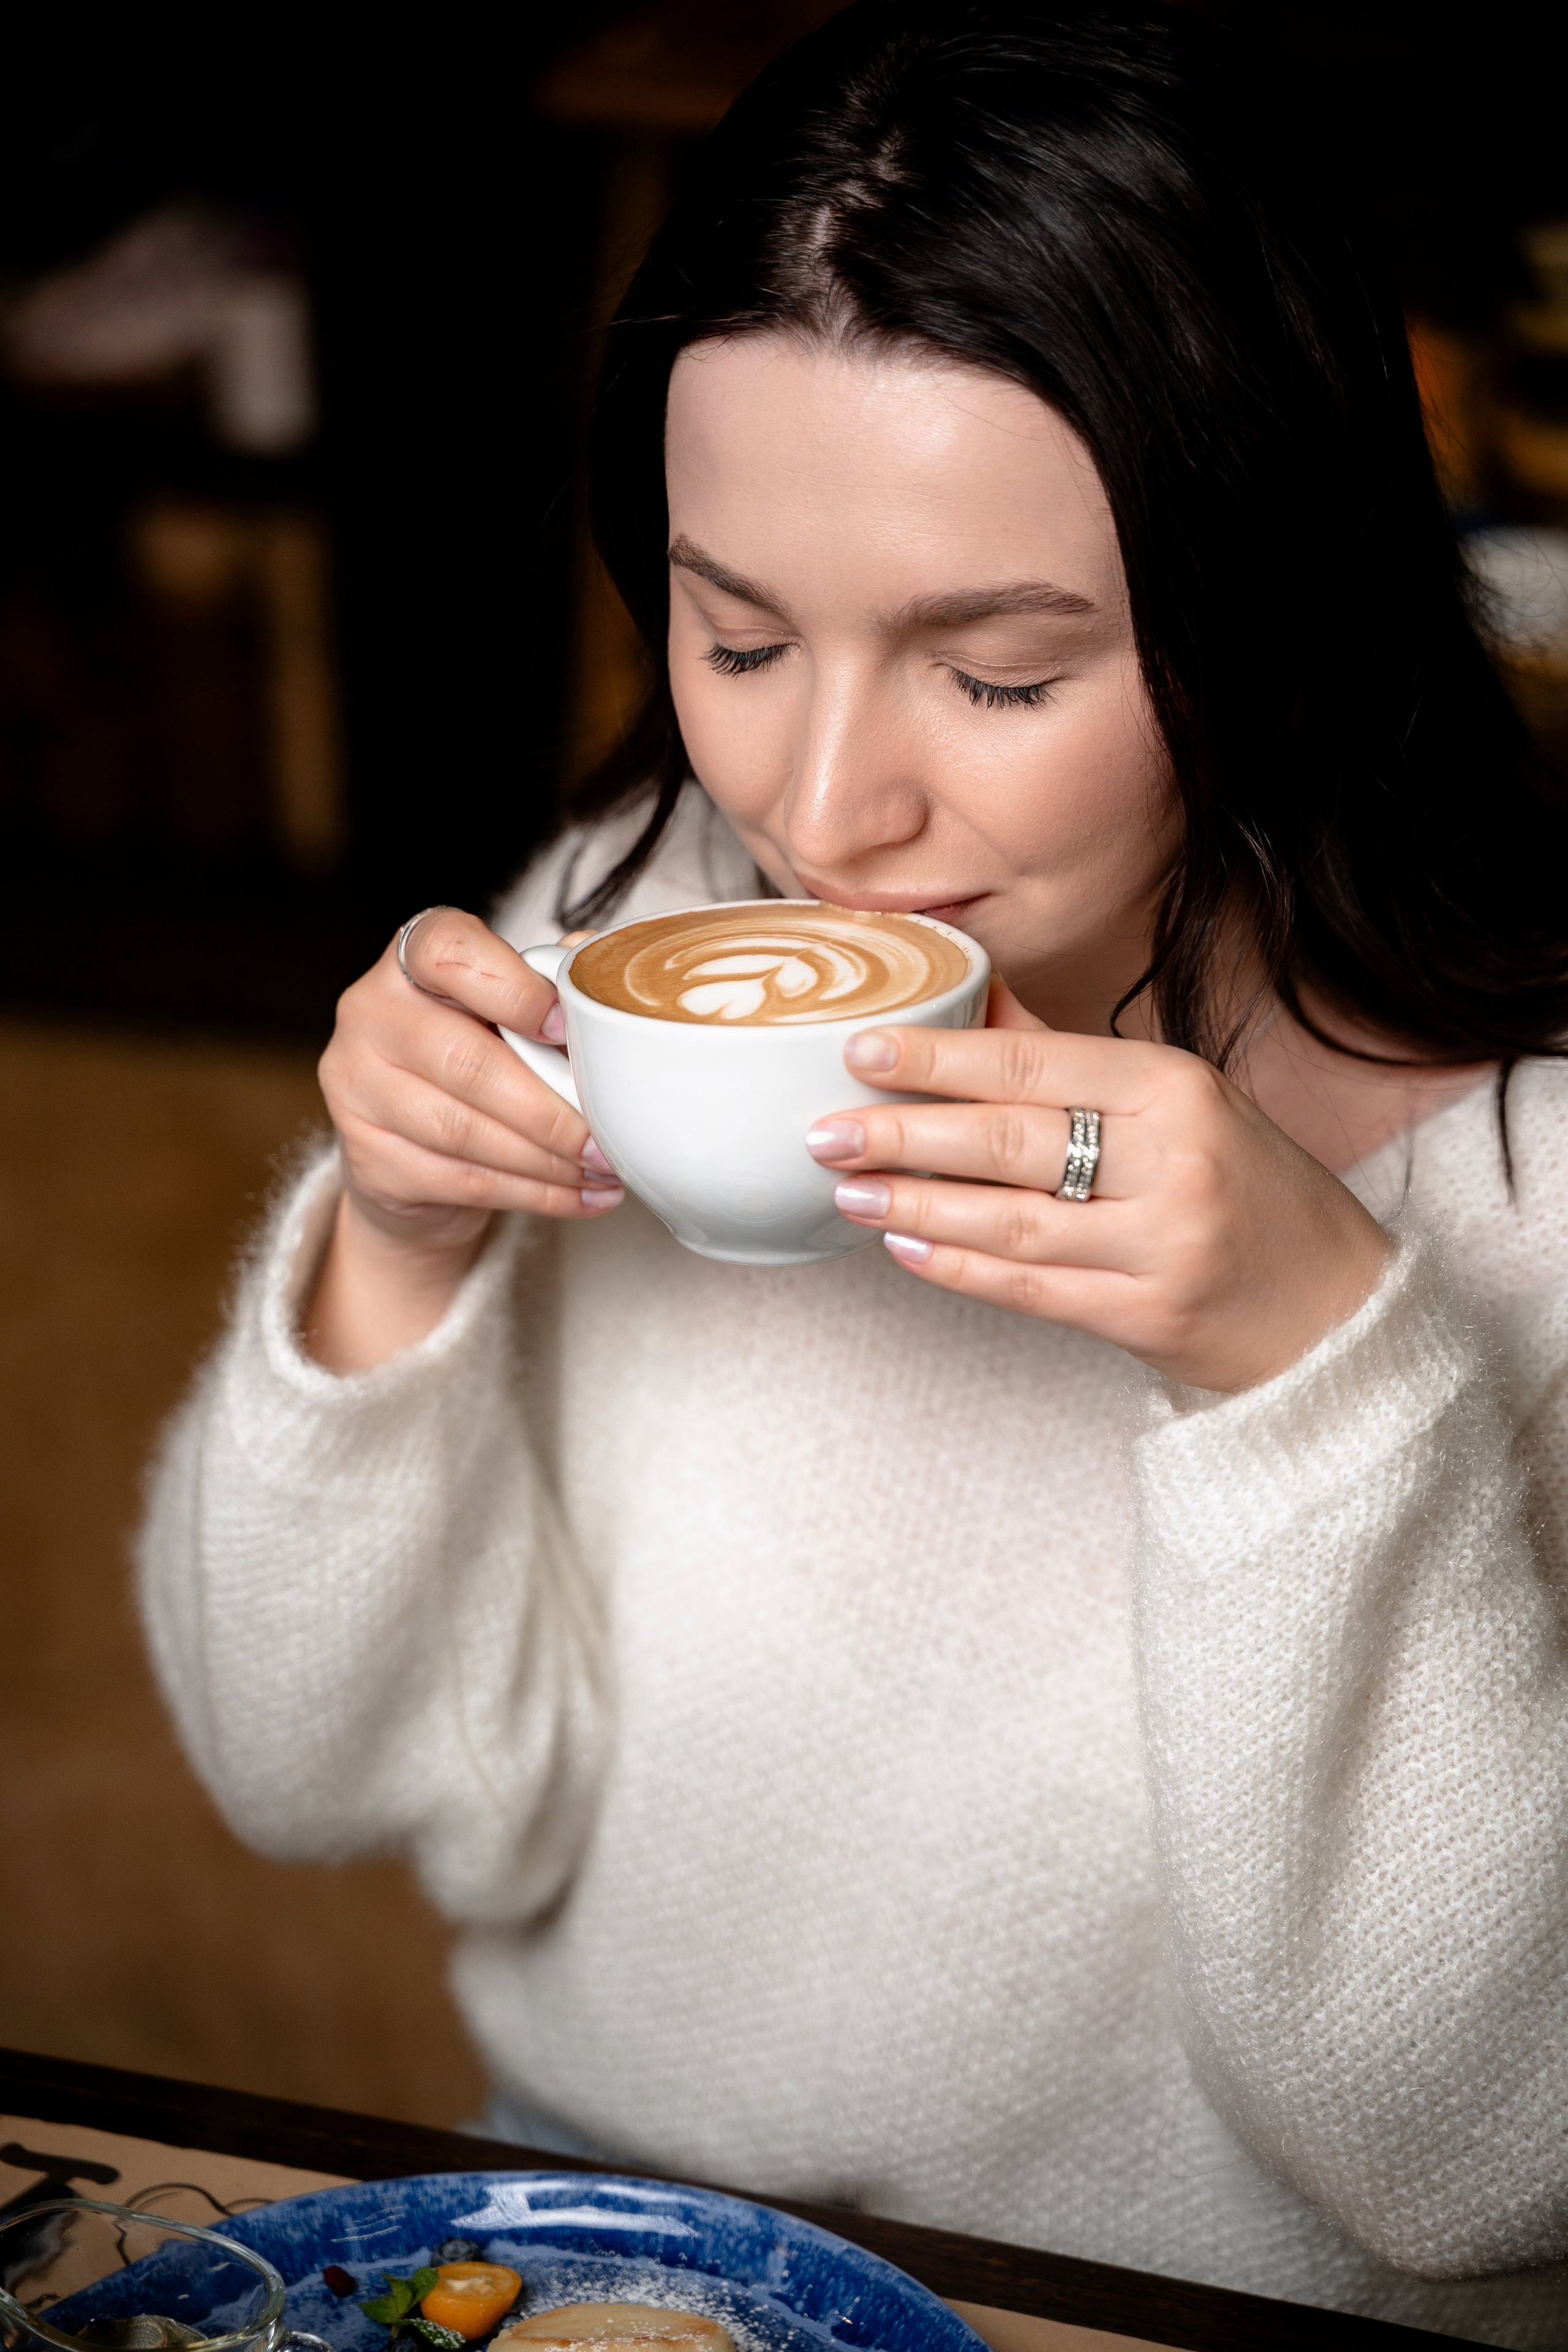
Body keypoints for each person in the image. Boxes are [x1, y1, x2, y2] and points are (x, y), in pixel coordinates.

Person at [138, 3, 1568, 2337]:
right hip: (599, 2243)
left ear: (1275, 612)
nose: (821, 808)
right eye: (735, 630)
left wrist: (1316, 1362)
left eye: (997, 675)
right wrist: (386, 1256)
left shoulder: (1533, 1177)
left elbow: (1484, 2168)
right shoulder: (630, 911)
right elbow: (315, 1776)